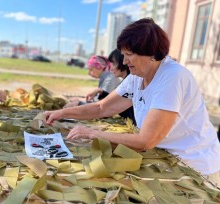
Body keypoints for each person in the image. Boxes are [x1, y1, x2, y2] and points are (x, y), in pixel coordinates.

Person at [45, 18, 220, 184]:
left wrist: (93, 133)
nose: (124, 61)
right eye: (123, 54)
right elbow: (101, 108)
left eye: (129, 54)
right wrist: (62, 113)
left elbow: (146, 140)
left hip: (196, 166)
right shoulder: (137, 76)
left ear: (152, 54)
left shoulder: (172, 77)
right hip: (167, 157)